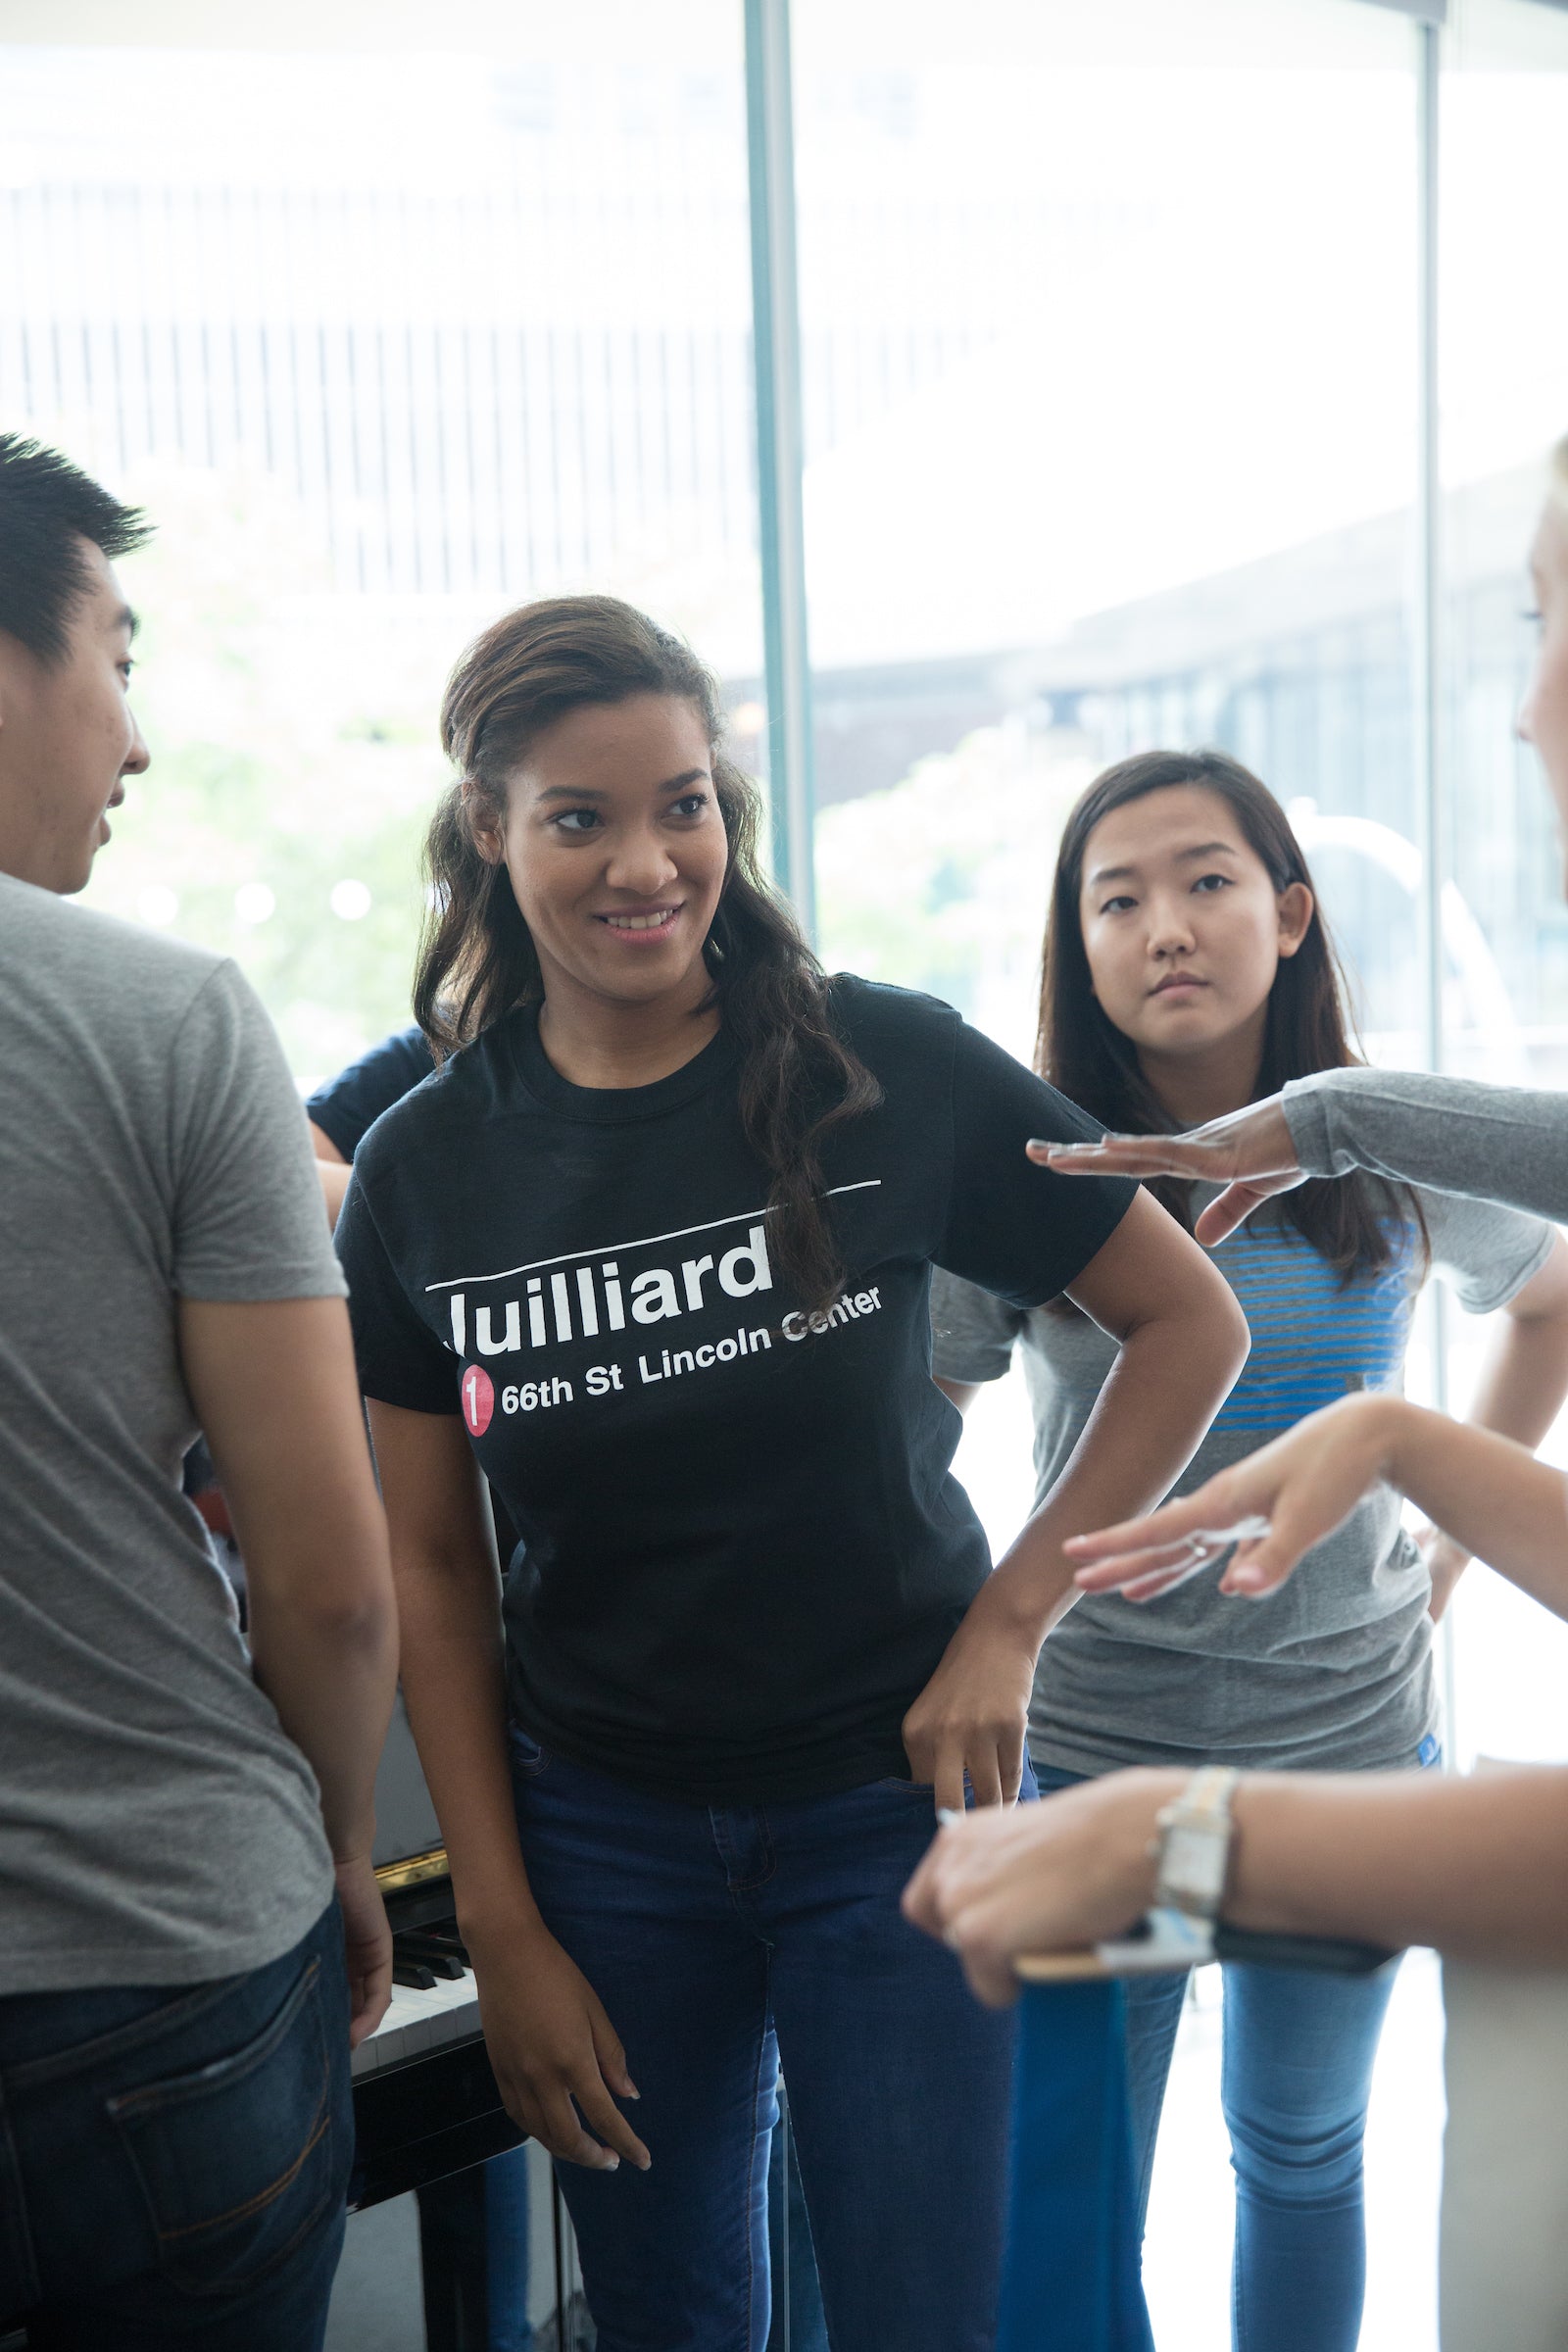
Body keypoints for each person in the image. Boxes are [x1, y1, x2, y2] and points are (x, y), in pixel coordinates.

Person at [331, 591, 1250, 2352]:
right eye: (580, 818)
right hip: (602, 1838)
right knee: (670, 2321)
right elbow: (434, 1570)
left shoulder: (879, 1063)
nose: (645, 864)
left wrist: (1012, 1623)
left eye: (682, 804)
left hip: (895, 1806)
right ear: (490, 833)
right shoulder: (423, 1172)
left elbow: (1185, 1321)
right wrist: (502, 1926)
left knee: (922, 2317)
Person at [905, 430, 1568, 2343]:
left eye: (1205, 881)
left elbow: (1543, 1303)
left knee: (1299, 2154)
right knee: (1077, 2171)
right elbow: (925, 1413)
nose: (1163, 926)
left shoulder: (1398, 1150)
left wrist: (1455, 1533)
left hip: (1348, 1730)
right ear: (1076, 945)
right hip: (1093, 1732)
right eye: (1114, 899)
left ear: (1289, 911)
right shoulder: (1034, 1171)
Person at [0, 432, 399, 2352]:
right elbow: (329, 1578)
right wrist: (343, 1851)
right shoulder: (164, 1018)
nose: (136, 742)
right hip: (164, 1968)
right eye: (118, 659)